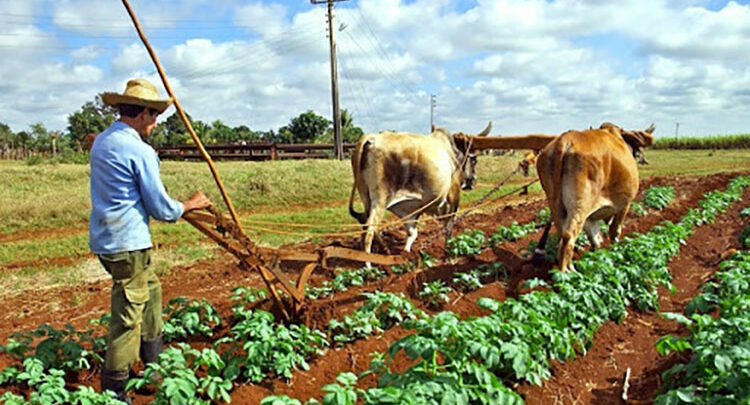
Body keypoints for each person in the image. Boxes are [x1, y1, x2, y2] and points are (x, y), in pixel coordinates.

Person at [90, 78, 212, 401]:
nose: (156, 123)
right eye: (154, 116)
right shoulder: (138, 149)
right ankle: (115, 391)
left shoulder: (103, 141)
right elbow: (161, 207)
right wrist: (190, 204)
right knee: (128, 316)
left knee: (151, 290)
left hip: (106, 240)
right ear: (142, 113)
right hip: (127, 243)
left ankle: (154, 361)